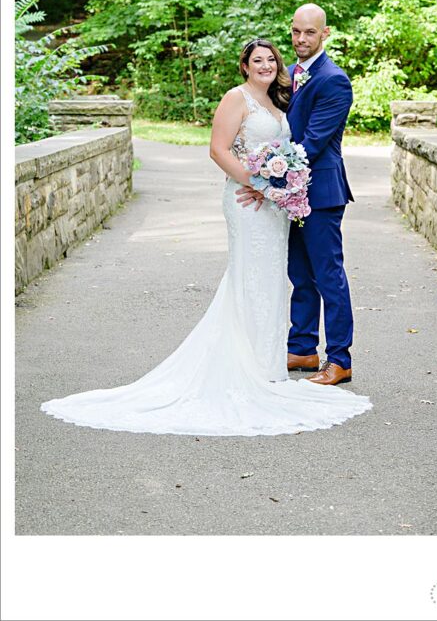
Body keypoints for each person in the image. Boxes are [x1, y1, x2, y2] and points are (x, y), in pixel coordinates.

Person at [40, 38, 371, 436]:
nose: (265, 65)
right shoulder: (238, 98)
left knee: (274, 279)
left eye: (271, 59)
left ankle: (275, 362)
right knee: (252, 276)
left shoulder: (280, 99)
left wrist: (273, 184)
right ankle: (257, 361)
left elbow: (303, 144)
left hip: (274, 203)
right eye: (257, 60)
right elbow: (218, 150)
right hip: (250, 201)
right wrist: (259, 183)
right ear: (244, 66)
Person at [237, 4, 357, 386]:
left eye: (309, 32)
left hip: (320, 192)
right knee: (300, 275)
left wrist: (267, 180)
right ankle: (303, 347)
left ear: (325, 34)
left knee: (328, 275)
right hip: (290, 195)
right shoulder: (290, 75)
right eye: (295, 32)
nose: (300, 39)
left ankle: (339, 359)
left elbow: (312, 143)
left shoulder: (334, 80)